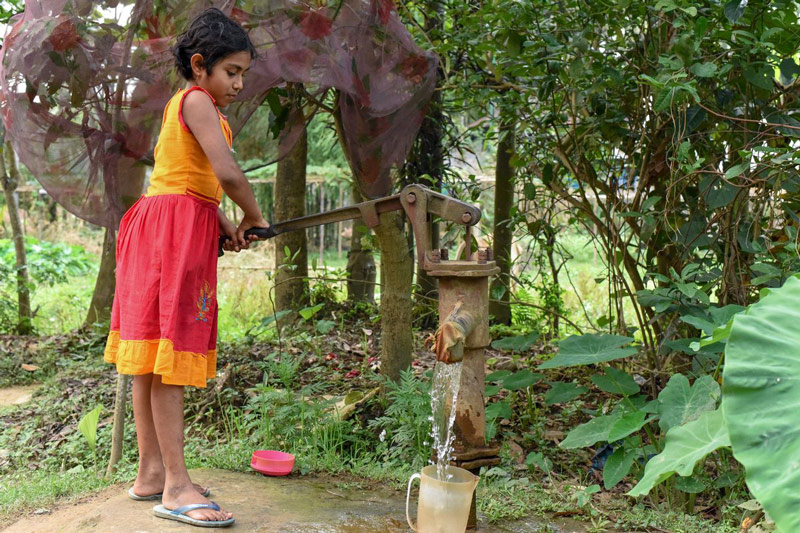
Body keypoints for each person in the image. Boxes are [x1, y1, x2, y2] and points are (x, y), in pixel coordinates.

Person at [104, 8, 268, 528]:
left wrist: (220, 222)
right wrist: (254, 215)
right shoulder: (197, 101)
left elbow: (190, 181)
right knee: (168, 353)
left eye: (243, 73)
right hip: (168, 234)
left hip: (167, 226)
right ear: (200, 66)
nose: (239, 83)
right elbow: (225, 171)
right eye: (232, 71)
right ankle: (176, 486)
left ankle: (152, 472)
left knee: (153, 354)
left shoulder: (196, 105)